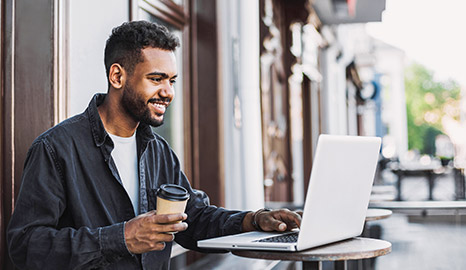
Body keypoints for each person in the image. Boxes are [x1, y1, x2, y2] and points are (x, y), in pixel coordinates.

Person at [7, 20, 302, 270]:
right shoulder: (56, 149)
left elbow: (193, 218)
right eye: (156, 79)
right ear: (117, 76)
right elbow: (25, 246)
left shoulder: (158, 150)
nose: (168, 92)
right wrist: (120, 238)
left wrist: (254, 220)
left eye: (172, 80)